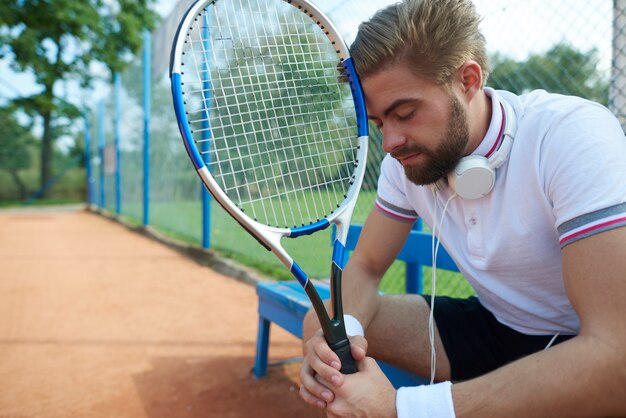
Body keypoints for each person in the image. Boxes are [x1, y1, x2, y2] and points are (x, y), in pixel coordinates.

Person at [298, 0, 626, 417]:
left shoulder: (570, 136)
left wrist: (404, 409)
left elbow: (617, 355)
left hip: (581, 344)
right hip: (494, 326)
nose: (391, 142)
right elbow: (364, 266)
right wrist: (335, 353)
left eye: (405, 113)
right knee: (322, 326)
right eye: (380, 123)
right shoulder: (409, 158)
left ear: (468, 80)